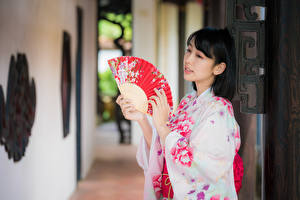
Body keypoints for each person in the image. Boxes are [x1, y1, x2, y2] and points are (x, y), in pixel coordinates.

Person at [116, 27, 241, 200]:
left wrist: (161, 125)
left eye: (199, 56)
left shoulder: (219, 111)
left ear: (219, 68)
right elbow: (163, 149)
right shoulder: (187, 101)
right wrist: (142, 119)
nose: (188, 59)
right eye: (189, 50)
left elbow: (200, 169)